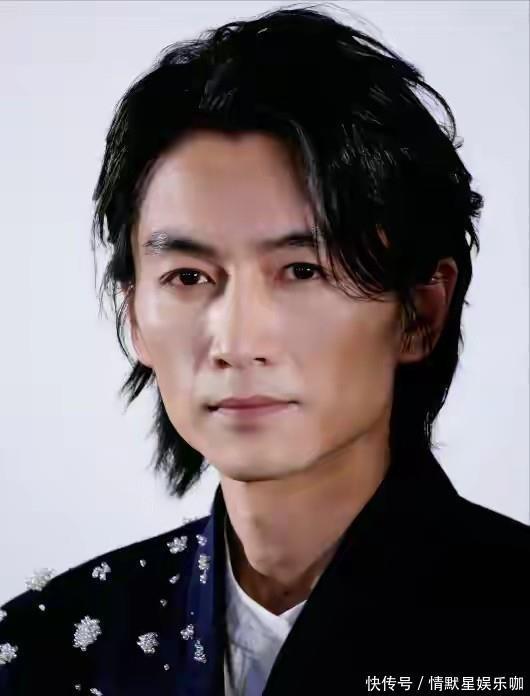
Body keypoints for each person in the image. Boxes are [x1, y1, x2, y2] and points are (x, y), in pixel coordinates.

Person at [1, 5, 528, 695]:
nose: (237, 341)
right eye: (188, 277)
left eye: (302, 271)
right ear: (134, 316)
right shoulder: (45, 650)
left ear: (420, 311)